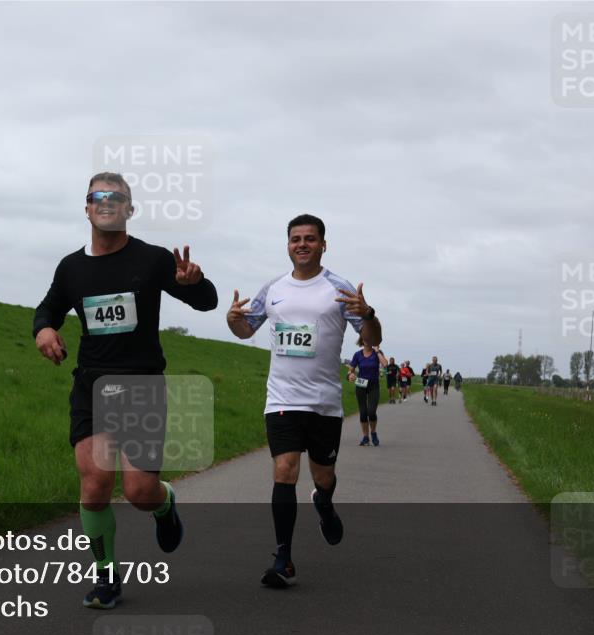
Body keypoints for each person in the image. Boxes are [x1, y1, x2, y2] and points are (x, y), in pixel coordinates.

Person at [33, 172, 218, 609]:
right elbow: (48, 309)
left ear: (129, 210)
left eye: (116, 198)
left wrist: (194, 283)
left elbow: (207, 301)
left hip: (141, 386)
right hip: (91, 385)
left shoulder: (152, 260)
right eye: (98, 196)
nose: (107, 202)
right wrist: (43, 330)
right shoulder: (71, 268)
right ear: (87, 207)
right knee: (95, 483)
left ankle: (164, 503)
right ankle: (106, 576)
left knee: (138, 492)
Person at [226, 213, 382, 589]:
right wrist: (232, 319)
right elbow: (246, 330)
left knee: (323, 476)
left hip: (324, 402)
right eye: (295, 239)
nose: (302, 244)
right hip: (282, 398)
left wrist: (369, 313)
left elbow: (373, 339)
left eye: (310, 239)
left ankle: (324, 503)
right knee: (284, 471)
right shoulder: (273, 288)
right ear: (288, 245)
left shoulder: (339, 289)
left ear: (323, 245)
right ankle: (283, 558)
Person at [348, 341, 389, 445]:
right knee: (363, 413)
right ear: (362, 341)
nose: (367, 341)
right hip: (361, 384)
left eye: (369, 338)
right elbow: (350, 370)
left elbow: (385, 364)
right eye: (365, 338)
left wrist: (377, 351)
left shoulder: (377, 353)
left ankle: (373, 433)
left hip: (373, 385)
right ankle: (365, 437)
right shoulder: (357, 354)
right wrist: (350, 375)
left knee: (371, 412)